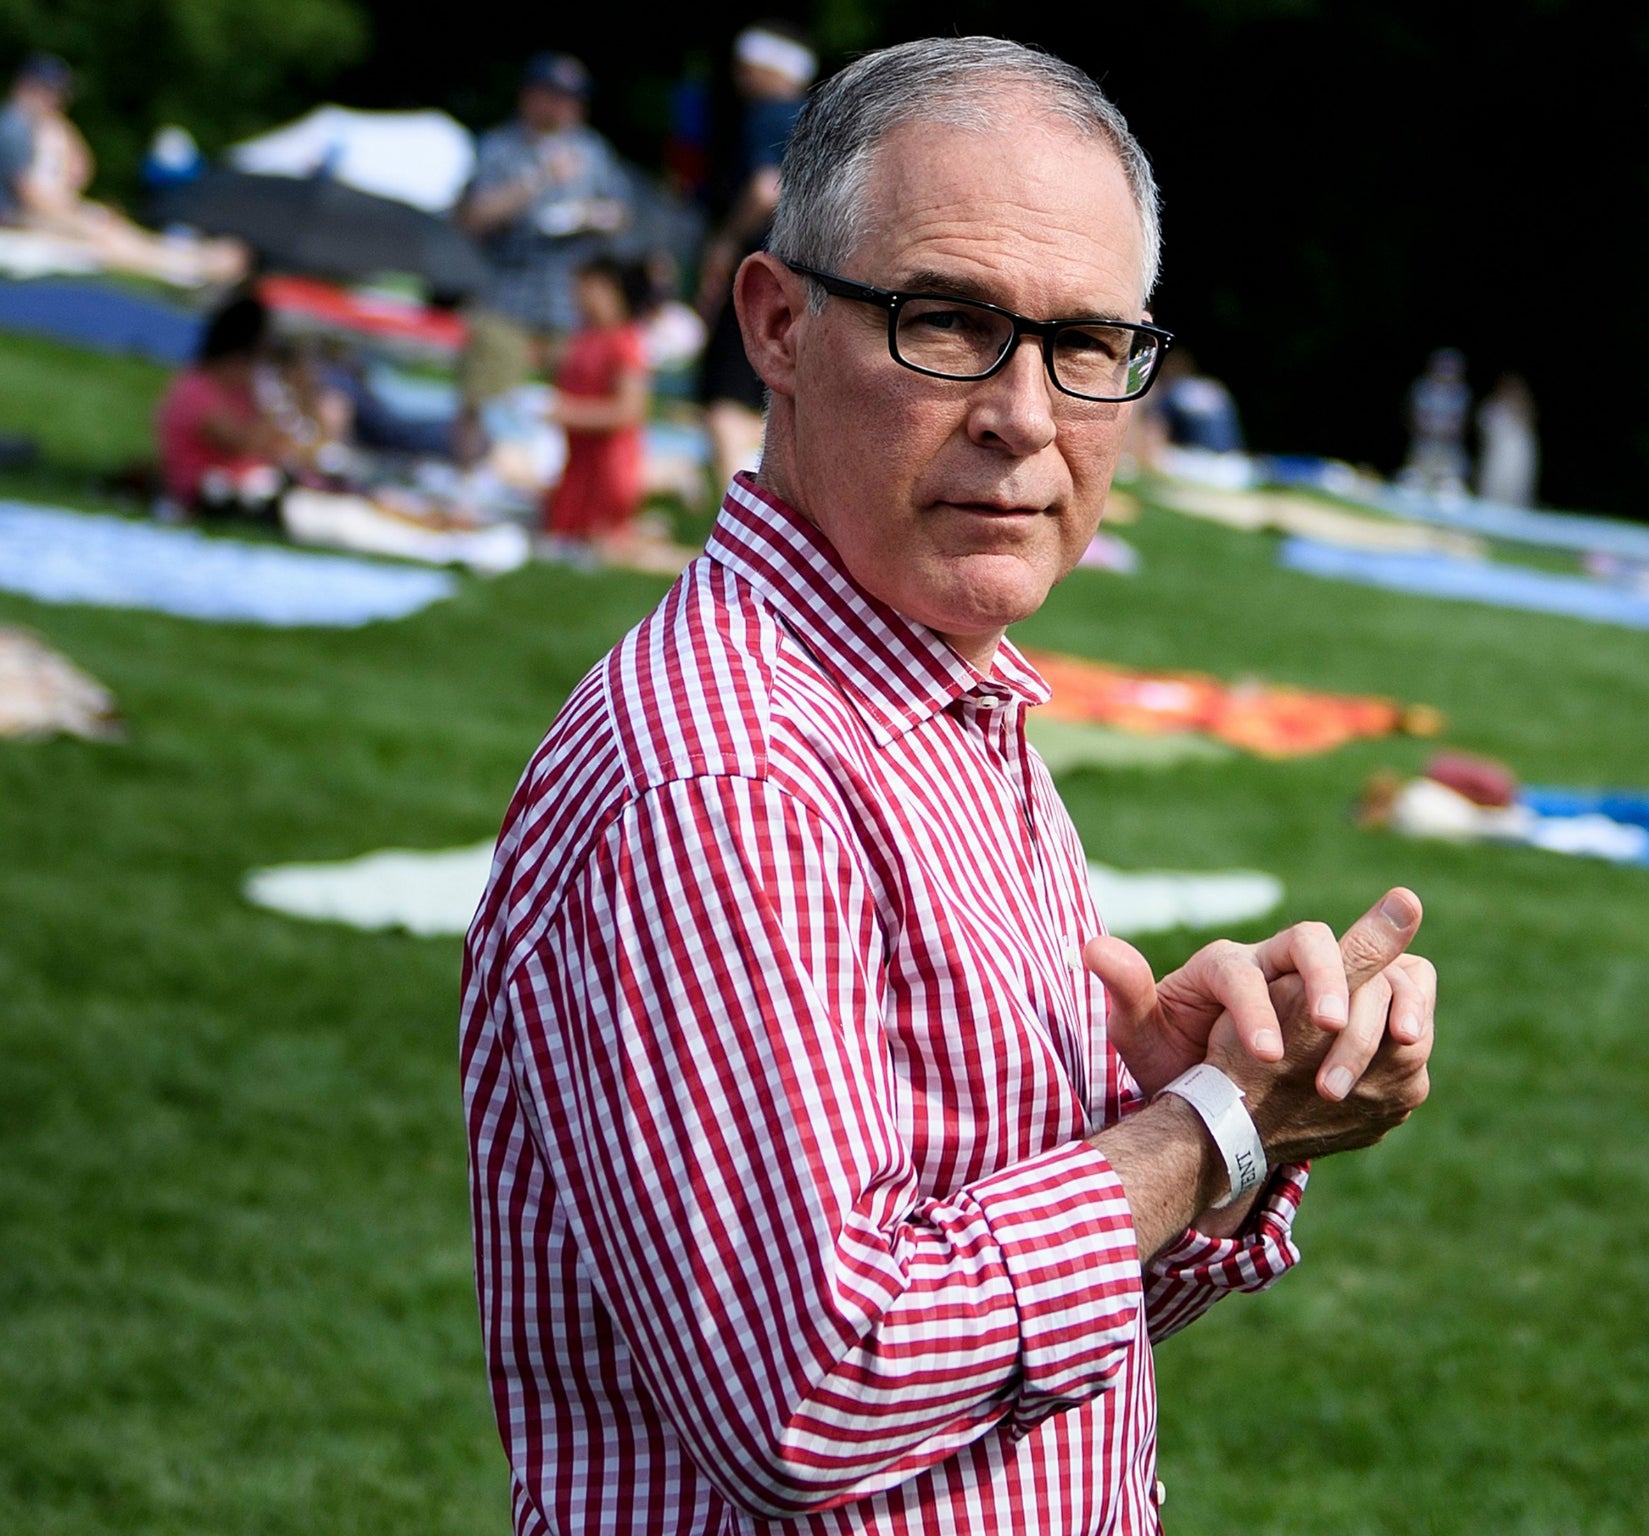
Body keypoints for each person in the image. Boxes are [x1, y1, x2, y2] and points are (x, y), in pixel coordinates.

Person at [461, 35, 1439, 1536]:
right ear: (779, 326)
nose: (1028, 416)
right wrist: (1199, 1135)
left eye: (1088, 344)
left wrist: (1220, 1110)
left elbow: (1001, 1358)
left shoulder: (939, 694)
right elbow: (820, 1392)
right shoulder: (732, 775)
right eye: (948, 322)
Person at [456, 53, 632, 410]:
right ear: (531, 96)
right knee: (486, 408)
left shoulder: (592, 150)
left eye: (574, 98)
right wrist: (538, 180)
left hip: (572, 310)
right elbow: (473, 217)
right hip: (505, 303)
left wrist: (597, 216)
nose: (567, 107)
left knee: (567, 413)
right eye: (557, 96)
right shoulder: (499, 147)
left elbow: (622, 212)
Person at [694, 22, 815, 497]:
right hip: (810, 271)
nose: (740, 76)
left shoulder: (769, 115)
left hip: (762, 270)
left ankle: (735, 512)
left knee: (726, 395)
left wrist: (725, 243)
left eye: (748, 67)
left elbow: (765, 190)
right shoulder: (822, 119)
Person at [0, 54, 242, 285]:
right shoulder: (15, 127)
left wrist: (65, 134)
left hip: (25, 215)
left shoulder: (35, 127)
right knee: (101, 230)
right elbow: (31, 198)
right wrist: (75, 215)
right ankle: (191, 265)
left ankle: (192, 262)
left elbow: (78, 172)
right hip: (15, 219)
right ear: (32, 86)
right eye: (55, 92)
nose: (60, 101)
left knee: (105, 225)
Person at [156, 292, 295, 521]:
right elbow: (243, 444)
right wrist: (268, 401)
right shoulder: (198, 389)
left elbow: (281, 446)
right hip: (201, 490)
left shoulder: (241, 392)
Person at [543, 255, 651, 546]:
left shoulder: (625, 341)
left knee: (604, 545)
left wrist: (567, 414)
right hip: (577, 462)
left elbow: (629, 410)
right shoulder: (584, 335)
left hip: (607, 467)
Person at [1400, 346, 1470, 495]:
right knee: (1414, 480)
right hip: (1423, 442)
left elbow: (1459, 421)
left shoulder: (1460, 392)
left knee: (1447, 485)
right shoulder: (1423, 388)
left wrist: (1447, 432)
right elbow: (1416, 414)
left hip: (1448, 446)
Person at [1475, 371, 1537, 506]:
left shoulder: (1524, 412)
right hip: (1496, 458)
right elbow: (1486, 429)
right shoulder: (1492, 408)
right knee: (1493, 489)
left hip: (1517, 460)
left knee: (1516, 490)